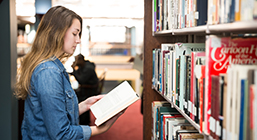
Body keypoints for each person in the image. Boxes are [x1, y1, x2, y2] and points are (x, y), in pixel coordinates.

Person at [14, 6, 123, 140]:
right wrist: (99, 129)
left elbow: (51, 116)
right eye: (74, 33)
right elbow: (61, 134)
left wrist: (84, 105)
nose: (78, 40)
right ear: (57, 32)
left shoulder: (49, 66)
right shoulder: (49, 71)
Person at [70, 53, 99, 125]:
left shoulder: (88, 68)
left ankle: (83, 121)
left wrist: (74, 69)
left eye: (76, 60)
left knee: (71, 97)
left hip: (89, 91)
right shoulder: (84, 65)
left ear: (81, 60)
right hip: (87, 89)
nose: (75, 62)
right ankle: (80, 120)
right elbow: (80, 76)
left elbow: (81, 80)